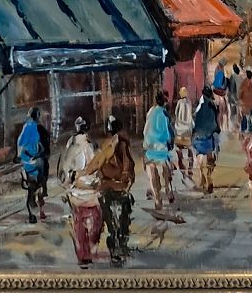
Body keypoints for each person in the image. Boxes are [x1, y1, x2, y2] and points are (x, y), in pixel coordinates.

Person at [83, 114, 136, 265]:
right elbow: (128, 166)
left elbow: (96, 164)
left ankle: (114, 244)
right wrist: (127, 179)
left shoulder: (108, 145)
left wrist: (85, 174)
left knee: (110, 219)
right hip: (118, 187)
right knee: (123, 214)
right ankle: (120, 243)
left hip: (107, 187)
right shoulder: (121, 144)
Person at [57, 117, 102, 266]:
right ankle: (91, 246)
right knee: (96, 221)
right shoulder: (94, 146)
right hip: (93, 193)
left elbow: (64, 174)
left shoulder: (72, 147)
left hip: (77, 194)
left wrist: (67, 184)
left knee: (79, 225)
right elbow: (101, 166)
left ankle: (83, 255)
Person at [143, 90, 176, 207]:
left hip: (150, 148)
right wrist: (170, 141)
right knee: (167, 166)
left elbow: (145, 130)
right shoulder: (165, 114)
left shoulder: (150, 112)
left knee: (151, 170)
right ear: (164, 102)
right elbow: (168, 133)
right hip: (161, 149)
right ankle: (168, 190)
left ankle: (157, 199)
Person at [16, 108, 49, 224]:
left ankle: (31, 211)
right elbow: (46, 147)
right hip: (38, 162)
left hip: (26, 163)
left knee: (30, 185)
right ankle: (43, 190)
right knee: (42, 172)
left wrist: (19, 156)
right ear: (38, 116)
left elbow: (20, 143)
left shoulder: (25, 127)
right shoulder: (41, 129)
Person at [191, 86, 222, 193]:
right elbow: (215, 122)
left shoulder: (199, 105)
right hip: (208, 136)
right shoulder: (212, 105)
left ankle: (201, 176)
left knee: (198, 155)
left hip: (198, 136)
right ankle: (209, 177)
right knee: (212, 154)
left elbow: (194, 119)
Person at [172, 85, 195, 182]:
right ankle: (190, 169)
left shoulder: (179, 103)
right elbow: (190, 115)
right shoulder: (189, 102)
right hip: (188, 130)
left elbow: (176, 114)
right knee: (189, 149)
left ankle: (182, 170)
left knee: (179, 151)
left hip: (179, 130)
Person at [238, 67, 252, 136]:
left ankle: (243, 130)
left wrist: (240, 100)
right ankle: (249, 131)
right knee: (249, 118)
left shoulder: (243, 83)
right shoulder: (251, 84)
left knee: (244, 117)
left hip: (244, 103)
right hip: (250, 103)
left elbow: (240, 93)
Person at [212, 62, 229, 130]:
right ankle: (222, 126)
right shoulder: (220, 72)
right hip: (220, 92)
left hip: (218, 92)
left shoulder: (217, 70)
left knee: (220, 112)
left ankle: (221, 126)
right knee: (222, 112)